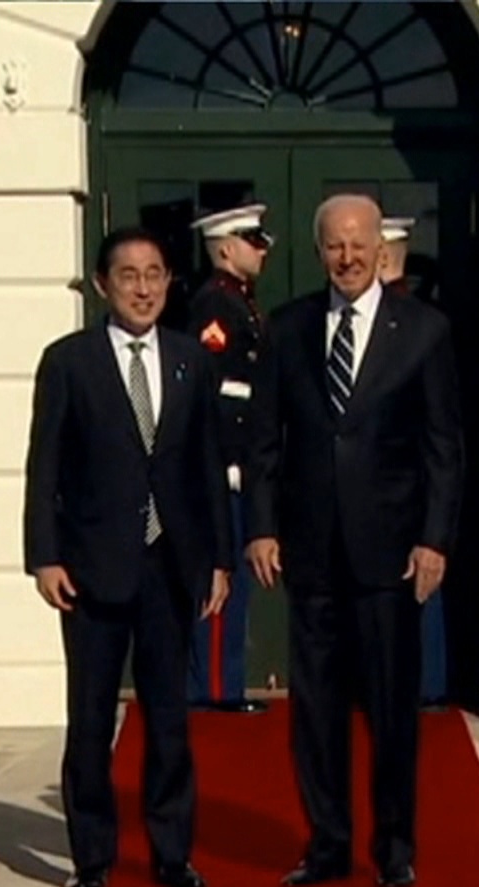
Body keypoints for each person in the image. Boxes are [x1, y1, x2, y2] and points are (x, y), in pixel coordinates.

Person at [247, 194, 465, 887]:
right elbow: (263, 440)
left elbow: (443, 448)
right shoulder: (288, 328)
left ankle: (394, 849)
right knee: (315, 713)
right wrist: (260, 526)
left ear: (381, 249)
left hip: (391, 555)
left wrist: (434, 540)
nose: (347, 258)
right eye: (335, 246)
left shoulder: (423, 331)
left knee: (392, 710)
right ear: (319, 252)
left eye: (358, 244)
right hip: (310, 552)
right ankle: (327, 845)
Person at [23, 225, 233, 887]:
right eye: (129, 276)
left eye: (154, 274)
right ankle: (92, 858)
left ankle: (172, 853)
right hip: (91, 568)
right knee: (90, 720)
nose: (143, 288)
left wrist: (218, 559)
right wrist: (44, 557)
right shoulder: (69, 361)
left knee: (169, 719)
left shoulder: (190, 360)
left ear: (169, 281)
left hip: (170, 565)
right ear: (102, 285)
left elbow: (206, 465)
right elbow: (44, 467)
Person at [184, 203, 273, 715]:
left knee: (233, 581)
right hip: (222, 467)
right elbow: (219, 395)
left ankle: (224, 684)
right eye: (251, 240)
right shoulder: (216, 306)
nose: (261, 250)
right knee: (221, 580)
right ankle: (214, 688)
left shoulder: (241, 302)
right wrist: (229, 461)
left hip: (238, 466)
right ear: (224, 248)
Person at [377, 216, 449, 709]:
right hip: (389, 481)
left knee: (417, 581)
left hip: (408, 479)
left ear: (383, 256)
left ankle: (423, 681)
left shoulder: (412, 322)